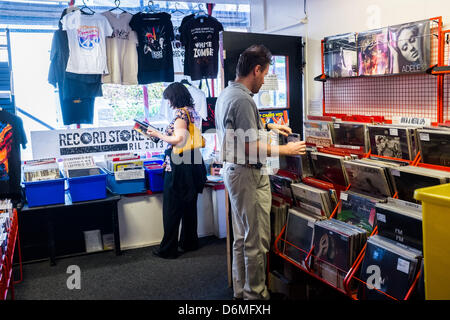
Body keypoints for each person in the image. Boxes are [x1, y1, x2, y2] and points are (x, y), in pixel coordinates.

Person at [215, 44, 307, 300]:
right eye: (265, 75)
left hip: (234, 172)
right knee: (255, 242)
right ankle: (255, 295)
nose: (264, 80)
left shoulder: (229, 93)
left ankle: (241, 290)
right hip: (248, 175)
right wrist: (287, 150)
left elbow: (239, 128)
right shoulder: (244, 99)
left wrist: (269, 125)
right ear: (256, 70)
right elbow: (250, 145)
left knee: (241, 237)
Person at [147, 82, 207, 259]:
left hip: (179, 163)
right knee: (189, 205)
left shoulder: (181, 115)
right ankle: (189, 242)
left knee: (172, 207)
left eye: (169, 99)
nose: (168, 102)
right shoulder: (192, 111)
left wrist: (158, 134)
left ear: (174, 97)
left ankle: (168, 249)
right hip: (193, 161)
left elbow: (179, 139)